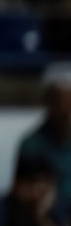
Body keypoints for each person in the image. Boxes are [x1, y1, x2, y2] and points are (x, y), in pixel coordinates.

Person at [19, 63, 71, 208]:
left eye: (68, 101)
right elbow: (19, 190)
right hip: (48, 212)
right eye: (58, 100)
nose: (64, 108)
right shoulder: (32, 145)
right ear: (48, 101)